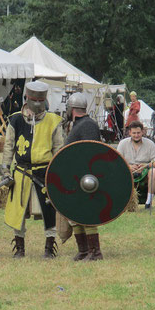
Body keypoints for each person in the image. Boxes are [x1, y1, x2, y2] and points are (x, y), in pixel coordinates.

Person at [0, 80, 64, 259]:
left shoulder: (53, 120)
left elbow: (58, 149)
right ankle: (20, 248)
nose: (36, 104)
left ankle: (49, 248)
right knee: (18, 212)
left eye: (40, 100)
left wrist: (58, 171)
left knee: (49, 212)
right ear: (27, 99)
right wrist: (5, 168)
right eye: (33, 100)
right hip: (21, 172)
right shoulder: (16, 119)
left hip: (45, 172)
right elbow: (9, 146)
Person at [63, 92, 103, 261]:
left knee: (86, 214)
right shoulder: (78, 125)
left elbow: (90, 154)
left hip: (85, 179)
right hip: (75, 178)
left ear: (71, 109)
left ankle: (95, 252)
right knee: (75, 214)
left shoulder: (88, 125)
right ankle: (84, 250)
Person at [117, 121, 155, 210]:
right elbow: (117, 162)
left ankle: (148, 202)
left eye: (138, 133)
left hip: (145, 171)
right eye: (134, 133)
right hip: (128, 171)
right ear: (130, 133)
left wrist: (146, 166)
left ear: (143, 132)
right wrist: (128, 167)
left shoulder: (150, 143)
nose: (136, 135)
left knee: (154, 172)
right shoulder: (122, 143)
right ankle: (124, 202)